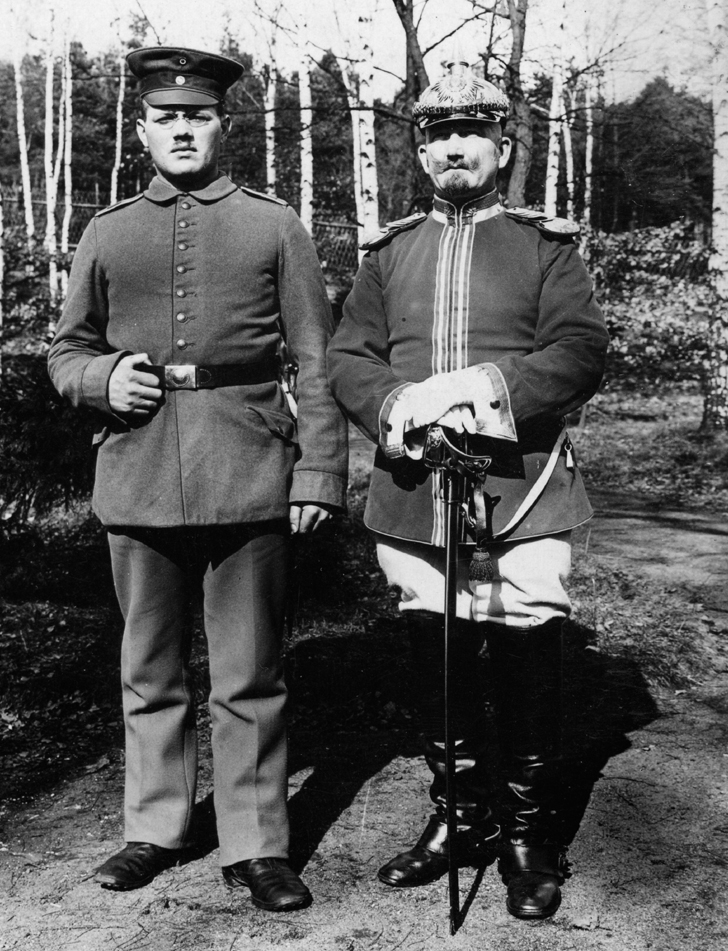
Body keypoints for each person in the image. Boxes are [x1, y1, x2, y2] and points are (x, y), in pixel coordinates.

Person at [48, 46, 348, 912]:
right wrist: (102, 380)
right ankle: (155, 828)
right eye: (166, 117)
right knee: (149, 669)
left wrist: (320, 472)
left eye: (200, 115)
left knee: (250, 671)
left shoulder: (272, 225)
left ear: (224, 124)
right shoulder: (107, 230)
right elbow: (68, 348)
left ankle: (257, 843)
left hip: (248, 466)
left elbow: (316, 361)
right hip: (136, 472)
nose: (183, 129)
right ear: (141, 128)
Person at [327, 60, 608, 921]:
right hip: (413, 481)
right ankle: (458, 817)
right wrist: (395, 405)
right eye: (438, 134)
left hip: (521, 482)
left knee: (526, 638)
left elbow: (577, 350)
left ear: (503, 145)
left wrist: (485, 391)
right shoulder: (389, 253)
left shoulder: (546, 247)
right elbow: (348, 355)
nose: (455, 148)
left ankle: (526, 835)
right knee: (432, 644)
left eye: (472, 134)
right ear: (418, 149)